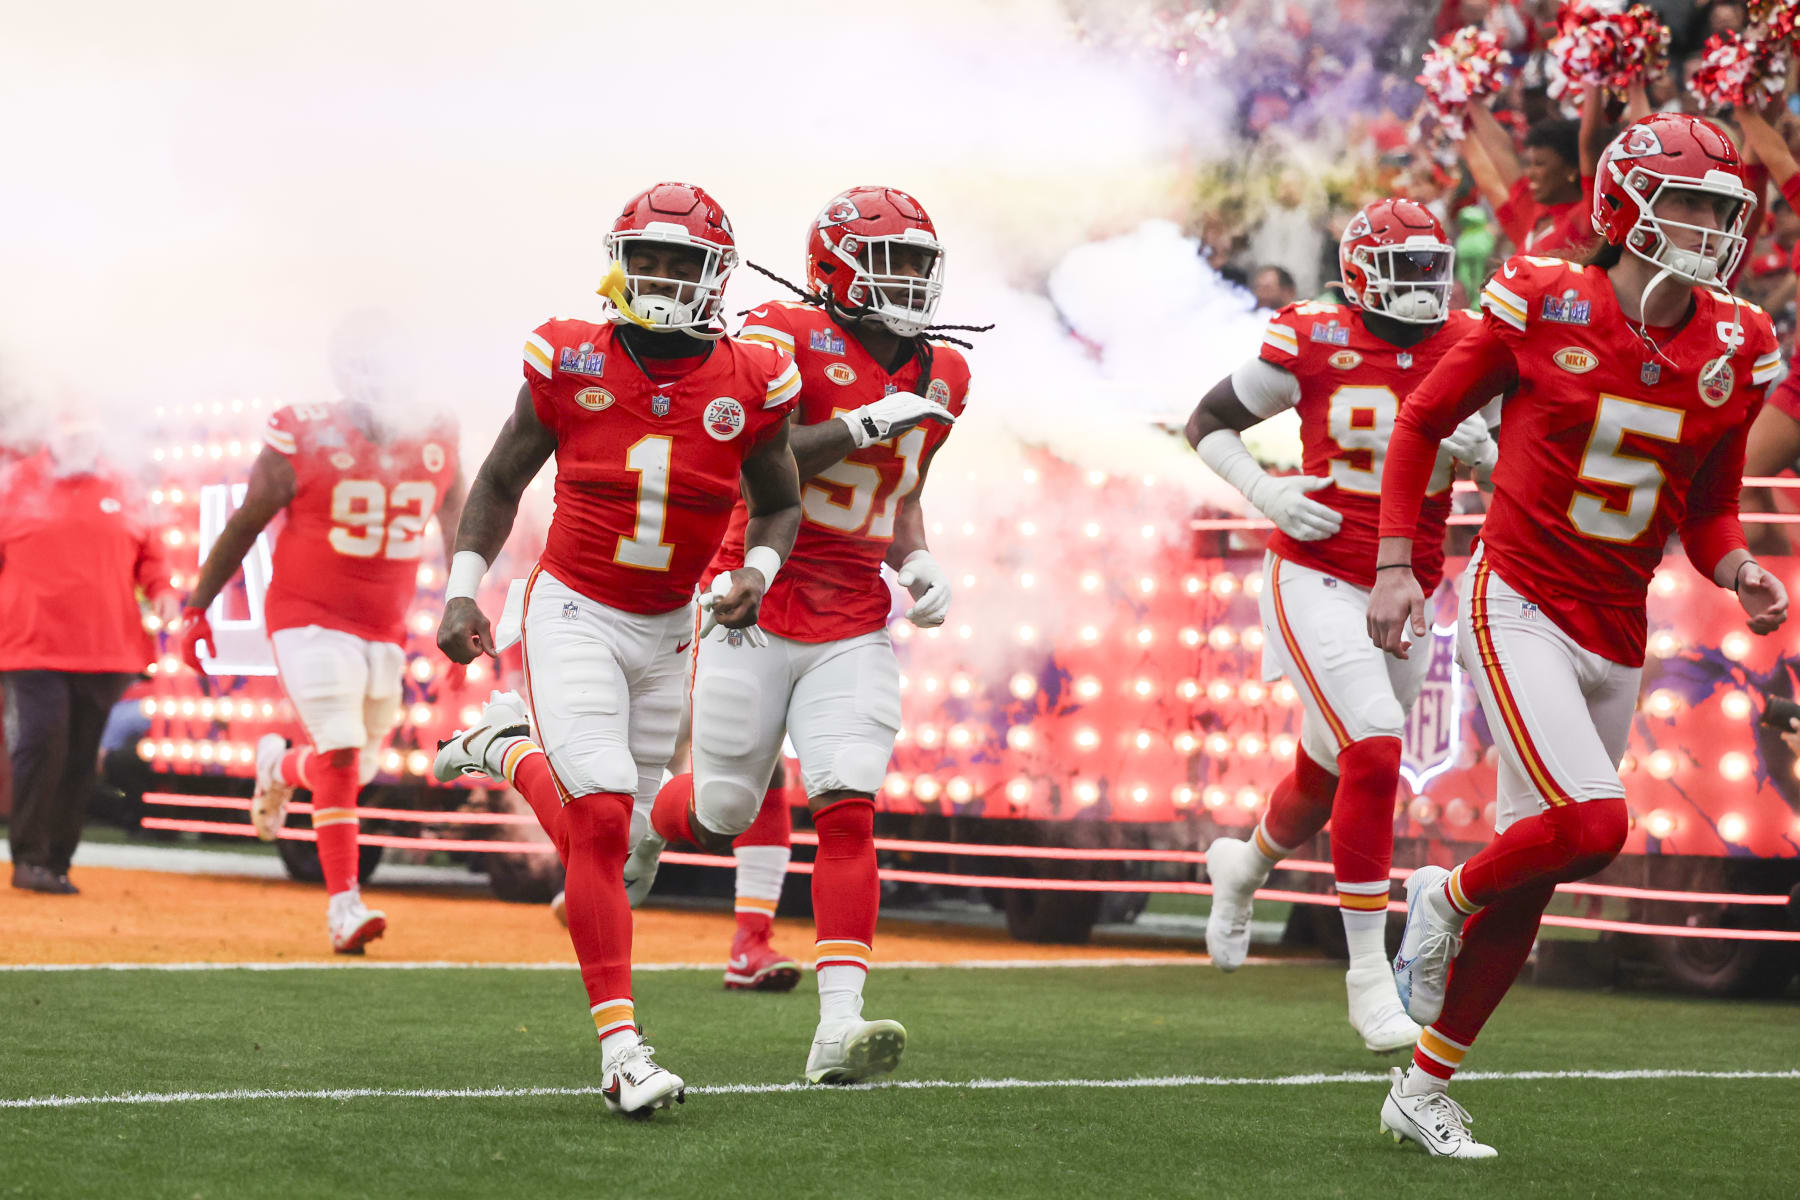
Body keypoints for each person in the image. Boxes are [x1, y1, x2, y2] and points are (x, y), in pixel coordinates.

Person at [1367, 113, 1787, 1158]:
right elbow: (1421, 418)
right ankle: (1438, 891)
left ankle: (1421, 1088)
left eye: (1720, 210)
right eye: (1688, 202)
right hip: (1518, 597)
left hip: (1615, 622)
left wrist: (1737, 568)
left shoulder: (1736, 340)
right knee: (1597, 825)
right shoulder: (1544, 295)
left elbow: (1709, 511)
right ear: (1624, 206)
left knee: (1546, 864)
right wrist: (1389, 563)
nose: (1709, 227)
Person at [431, 181, 803, 1118]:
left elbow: (783, 499)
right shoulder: (567, 357)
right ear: (619, 262)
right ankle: (622, 1052)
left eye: (685, 261)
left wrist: (758, 565)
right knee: (598, 820)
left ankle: (507, 749)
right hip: (573, 611)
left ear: (717, 273)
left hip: (671, 624)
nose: (667, 276)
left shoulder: (752, 375)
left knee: (628, 845)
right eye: (651, 259)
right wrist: (461, 588)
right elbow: (500, 476)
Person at [630, 186, 965, 1084]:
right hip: (757, 600)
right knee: (723, 809)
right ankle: (646, 819)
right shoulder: (780, 334)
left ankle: (837, 1030)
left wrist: (919, 561)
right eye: (889, 261)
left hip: (854, 614)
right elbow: (744, 463)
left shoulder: (948, 372)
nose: (909, 282)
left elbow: (903, 489)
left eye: (918, 264)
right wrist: (856, 423)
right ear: (835, 267)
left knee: (848, 798)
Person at [1186, 198, 1496, 1055]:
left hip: (1408, 586)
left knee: (1328, 775)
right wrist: (1267, 491)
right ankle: (1369, 979)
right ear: (1359, 276)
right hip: (1315, 571)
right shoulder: (1313, 338)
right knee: (1377, 740)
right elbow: (1207, 423)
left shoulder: (1472, 344)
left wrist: (1487, 453)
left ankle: (1241, 866)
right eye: (1405, 273)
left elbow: (1524, 479)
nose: (1425, 292)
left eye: (1435, 271)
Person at [180, 315, 463, 954]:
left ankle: (280, 765)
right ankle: (345, 906)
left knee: (354, 767)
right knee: (339, 749)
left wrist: (463, 612)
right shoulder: (303, 429)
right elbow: (248, 520)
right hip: (306, 612)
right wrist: (197, 608)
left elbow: (458, 522)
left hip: (383, 627)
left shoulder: (438, 430)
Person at [0, 420, 177, 893]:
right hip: (31, 642)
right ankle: (29, 858)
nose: (79, 437)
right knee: (42, 741)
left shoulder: (124, 484)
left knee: (81, 755)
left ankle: (58, 859)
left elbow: (152, 556)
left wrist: (162, 591)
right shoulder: (13, 483)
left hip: (106, 646)